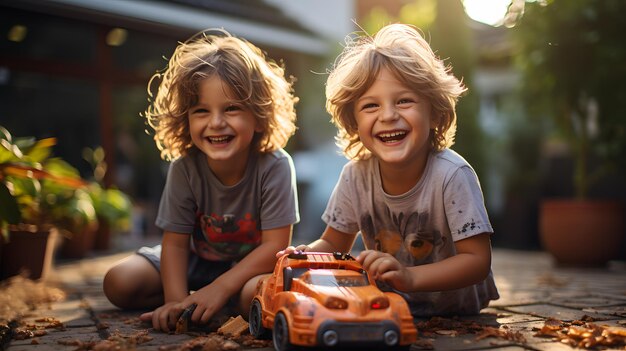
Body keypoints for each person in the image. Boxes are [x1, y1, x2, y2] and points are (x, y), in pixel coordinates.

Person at [279, 23, 498, 316]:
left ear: (433, 112)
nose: (388, 115)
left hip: (454, 311)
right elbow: (333, 241)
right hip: (391, 307)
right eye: (371, 106)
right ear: (354, 123)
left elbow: (477, 261)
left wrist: (411, 277)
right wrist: (303, 255)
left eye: (404, 101)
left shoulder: (452, 175)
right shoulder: (356, 176)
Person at [103, 29, 300, 332]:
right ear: (186, 119)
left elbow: (274, 246)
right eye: (201, 111)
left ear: (259, 115)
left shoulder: (275, 166)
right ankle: (201, 301)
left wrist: (221, 287)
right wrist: (176, 303)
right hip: (193, 260)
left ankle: (220, 298)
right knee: (118, 282)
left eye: (231, 108)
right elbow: (176, 245)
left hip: (248, 269)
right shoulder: (185, 168)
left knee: (255, 296)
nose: (216, 122)